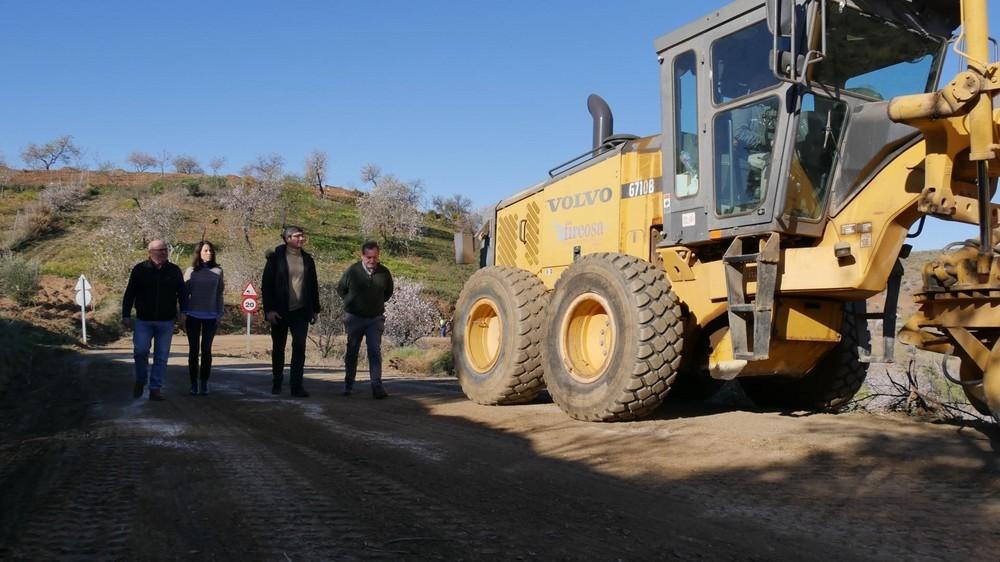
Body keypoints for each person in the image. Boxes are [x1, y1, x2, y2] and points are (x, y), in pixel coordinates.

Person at [122, 239, 187, 401]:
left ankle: (155, 389)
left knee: (162, 356)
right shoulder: (140, 269)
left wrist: (183, 313)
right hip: (144, 320)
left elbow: (183, 294)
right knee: (140, 352)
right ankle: (141, 379)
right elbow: (130, 293)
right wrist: (126, 315)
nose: (164, 252)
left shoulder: (174, 270)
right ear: (150, 252)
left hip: (166, 321)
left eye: (165, 249)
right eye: (160, 250)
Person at [262, 225, 320, 398]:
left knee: (299, 347)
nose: (301, 239)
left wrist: (315, 309)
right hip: (279, 311)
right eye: (297, 236)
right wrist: (269, 310)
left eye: (302, 236)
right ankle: (277, 382)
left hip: (301, 312)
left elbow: (313, 286)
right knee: (278, 348)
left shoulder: (308, 259)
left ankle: (297, 386)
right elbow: (266, 286)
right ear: (287, 239)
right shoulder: (275, 258)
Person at [337, 240, 393, 399]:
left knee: (374, 351)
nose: (372, 261)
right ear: (362, 256)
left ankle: (377, 386)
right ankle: (348, 384)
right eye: (368, 257)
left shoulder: (384, 273)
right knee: (352, 351)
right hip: (355, 318)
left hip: (375, 319)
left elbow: (388, 293)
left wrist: (375, 304)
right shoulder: (353, 271)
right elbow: (341, 289)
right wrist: (352, 303)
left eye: (375, 257)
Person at [183, 240, 224, 396]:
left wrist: (219, 314)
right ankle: (193, 383)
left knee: (206, 350)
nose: (209, 253)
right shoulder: (191, 271)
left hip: (211, 316)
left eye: (211, 250)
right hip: (193, 315)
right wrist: (183, 313)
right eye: (206, 250)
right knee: (194, 350)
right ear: (199, 252)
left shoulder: (218, 271)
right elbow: (184, 294)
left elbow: (219, 293)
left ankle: (204, 382)